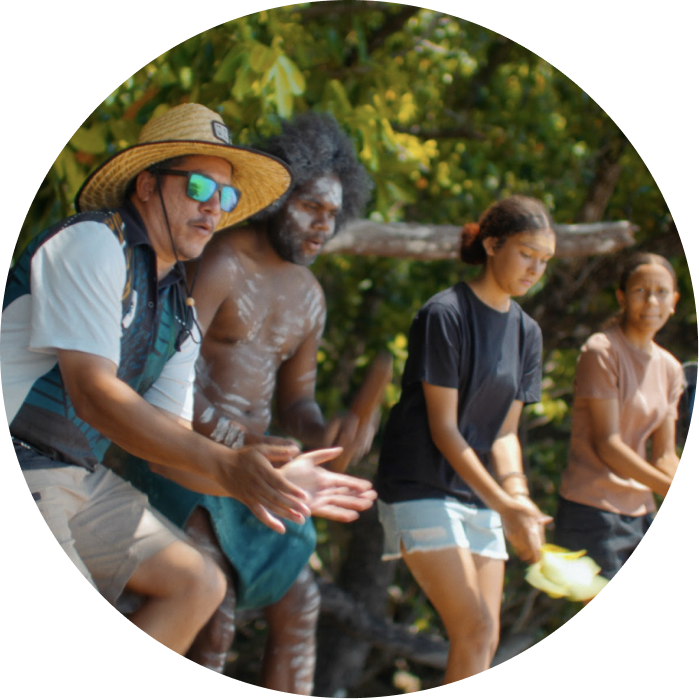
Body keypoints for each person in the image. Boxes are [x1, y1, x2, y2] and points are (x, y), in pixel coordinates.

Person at [2, 103, 376, 656]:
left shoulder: (177, 308)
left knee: (200, 584)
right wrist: (229, 462)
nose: (213, 206)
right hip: (27, 460)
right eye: (199, 186)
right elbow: (94, 394)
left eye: (226, 195)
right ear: (147, 185)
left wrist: (277, 482)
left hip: (75, 480)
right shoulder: (93, 243)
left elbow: (171, 451)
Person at [112, 112, 374, 690]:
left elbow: (297, 401)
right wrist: (239, 442)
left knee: (301, 602)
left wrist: (325, 431)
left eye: (333, 214)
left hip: (253, 466)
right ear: (278, 198)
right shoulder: (222, 260)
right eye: (310, 206)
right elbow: (167, 376)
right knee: (217, 612)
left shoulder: (310, 296)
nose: (322, 225)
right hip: (182, 458)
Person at [375, 195, 556, 683]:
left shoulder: (528, 334)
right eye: (527, 254)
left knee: (484, 637)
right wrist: (504, 505)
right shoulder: (445, 314)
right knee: (474, 627)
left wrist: (518, 497)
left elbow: (505, 432)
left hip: (480, 495)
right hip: (420, 487)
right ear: (493, 245)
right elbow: (444, 429)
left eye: (544, 260)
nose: (535, 269)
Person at [554, 252, 684, 595]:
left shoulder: (671, 368)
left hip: (641, 515)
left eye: (661, 292)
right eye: (641, 291)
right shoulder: (602, 351)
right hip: (592, 514)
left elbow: (664, 456)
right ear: (622, 298)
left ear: (674, 301)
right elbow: (608, 445)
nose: (652, 301)